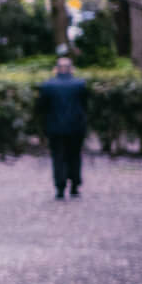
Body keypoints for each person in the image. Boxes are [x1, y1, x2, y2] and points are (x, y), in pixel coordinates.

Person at [37, 56, 89, 200]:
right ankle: (74, 186)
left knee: (58, 157)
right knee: (75, 156)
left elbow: (42, 107)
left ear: (56, 69)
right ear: (71, 69)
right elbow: (85, 105)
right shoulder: (80, 84)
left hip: (55, 128)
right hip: (76, 127)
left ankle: (60, 188)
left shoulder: (48, 85)